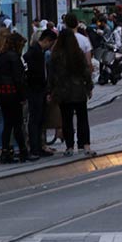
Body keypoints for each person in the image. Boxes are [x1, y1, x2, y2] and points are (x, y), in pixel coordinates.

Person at [48, 27, 92, 155]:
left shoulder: (56, 55)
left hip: (63, 91)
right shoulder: (77, 52)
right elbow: (85, 71)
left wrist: (51, 90)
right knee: (82, 118)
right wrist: (89, 87)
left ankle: (69, 147)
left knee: (66, 119)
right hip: (79, 90)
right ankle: (85, 144)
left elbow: (52, 75)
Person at [0, 30, 31, 163]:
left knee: (8, 123)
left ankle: (5, 152)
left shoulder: (0, 56)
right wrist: (23, 96)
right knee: (17, 123)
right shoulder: (14, 57)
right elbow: (18, 79)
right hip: (12, 93)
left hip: (1, 93)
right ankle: (23, 151)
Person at [26, 27, 56, 158]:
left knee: (39, 119)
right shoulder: (35, 53)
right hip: (36, 91)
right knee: (35, 119)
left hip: (38, 90)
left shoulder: (39, 52)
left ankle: (38, 146)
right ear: (47, 41)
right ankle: (35, 147)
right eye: (51, 43)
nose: (51, 47)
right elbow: (36, 73)